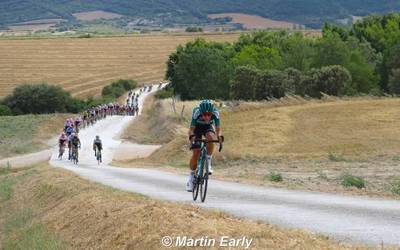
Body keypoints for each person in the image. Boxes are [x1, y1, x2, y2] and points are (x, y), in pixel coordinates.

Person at [186, 100, 223, 191]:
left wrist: (219, 137)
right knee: (196, 152)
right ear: (201, 113)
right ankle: (191, 177)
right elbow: (191, 130)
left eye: (209, 115)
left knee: (210, 137)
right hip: (197, 128)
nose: (206, 117)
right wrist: (192, 137)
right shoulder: (196, 112)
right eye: (204, 115)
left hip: (208, 127)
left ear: (212, 113)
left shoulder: (215, 112)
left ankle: (208, 163)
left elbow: (218, 129)